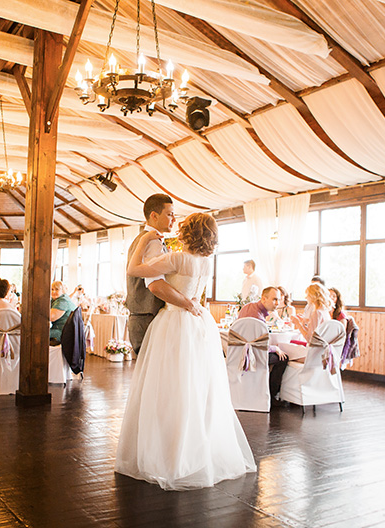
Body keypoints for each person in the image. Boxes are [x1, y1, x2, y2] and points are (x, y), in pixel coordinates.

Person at [116, 212, 256, 491]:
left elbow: (133, 270)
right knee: (196, 386)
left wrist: (145, 237)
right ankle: (195, 448)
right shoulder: (206, 262)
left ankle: (170, 452)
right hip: (199, 321)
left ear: (187, 232)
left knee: (170, 386)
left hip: (174, 322)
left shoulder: (178, 258)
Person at [125, 193, 195, 357]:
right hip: (147, 318)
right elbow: (155, 285)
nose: (174, 220)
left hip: (143, 318)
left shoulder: (145, 239)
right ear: (154, 216)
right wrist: (189, 304)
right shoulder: (151, 241)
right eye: (170, 214)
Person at [238, 287, 290, 401]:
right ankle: (271, 396)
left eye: (278, 300)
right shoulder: (258, 319)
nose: (277, 303)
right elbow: (260, 346)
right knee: (283, 358)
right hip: (252, 355)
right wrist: (275, 348)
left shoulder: (247, 307)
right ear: (264, 298)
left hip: (238, 353)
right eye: (274, 300)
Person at [291, 282, 333, 347]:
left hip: (314, 350)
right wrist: (303, 322)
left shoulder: (317, 313)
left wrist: (298, 324)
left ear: (313, 296)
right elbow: (314, 333)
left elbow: (310, 339)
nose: (306, 297)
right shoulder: (324, 311)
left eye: (307, 295)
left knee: (288, 343)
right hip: (322, 348)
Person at [49, 281, 77, 345]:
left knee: (38, 333)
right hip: (63, 330)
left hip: (63, 332)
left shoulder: (63, 301)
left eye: (57, 289)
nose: (53, 292)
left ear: (63, 290)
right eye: (52, 289)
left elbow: (51, 317)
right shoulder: (57, 299)